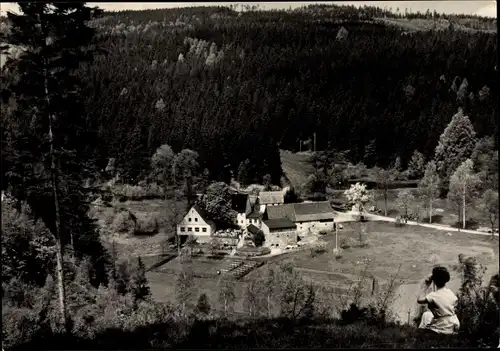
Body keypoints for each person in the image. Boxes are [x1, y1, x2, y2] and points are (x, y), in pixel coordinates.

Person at [417, 266, 460, 335]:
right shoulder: (450, 293)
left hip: (442, 326)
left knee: (425, 315)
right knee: (428, 314)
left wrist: (426, 284)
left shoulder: (433, 295)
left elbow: (419, 300)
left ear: (434, 280)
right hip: (453, 323)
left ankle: (421, 334)